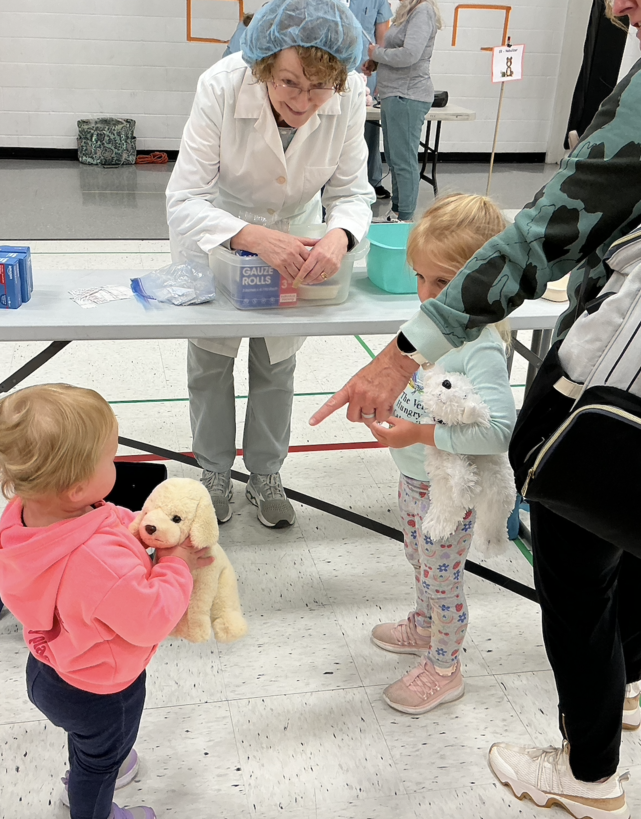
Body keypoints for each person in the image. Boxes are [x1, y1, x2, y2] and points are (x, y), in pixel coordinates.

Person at [311, 0, 641, 815]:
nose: (618, 9)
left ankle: (587, 772)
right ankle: (626, 689)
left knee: (577, 566)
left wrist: (409, 345)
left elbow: (548, 229)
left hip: (631, 384)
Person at [166, 0, 375, 529]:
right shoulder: (220, 85)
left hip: (299, 231)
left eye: (319, 88)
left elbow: (353, 191)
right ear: (263, 67)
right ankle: (213, 471)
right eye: (287, 84)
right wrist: (252, 237)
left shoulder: (349, 96)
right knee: (211, 362)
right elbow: (186, 197)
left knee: (277, 363)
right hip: (221, 231)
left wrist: (340, 235)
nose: (304, 102)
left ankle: (265, 473)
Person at [0, 384, 211, 819]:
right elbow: (151, 618)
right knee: (98, 759)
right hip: (102, 690)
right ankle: (94, 803)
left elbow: (102, 516)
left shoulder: (26, 516)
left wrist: (141, 525)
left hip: (52, 665)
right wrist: (176, 563)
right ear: (75, 487)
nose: (117, 462)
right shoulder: (96, 564)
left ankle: (102, 757)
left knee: (88, 740)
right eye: (110, 457)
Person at [367, 194, 515, 714]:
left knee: (443, 578)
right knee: (418, 559)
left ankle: (445, 666)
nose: (427, 295)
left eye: (442, 283)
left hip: (449, 490)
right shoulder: (435, 324)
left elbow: (498, 432)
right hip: (415, 480)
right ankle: (424, 625)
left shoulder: (481, 346)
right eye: (421, 278)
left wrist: (419, 436)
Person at [368, 0, 441, 223]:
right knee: (394, 158)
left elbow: (410, 54)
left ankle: (406, 218)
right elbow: (395, 50)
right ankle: (398, 210)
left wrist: (377, 54)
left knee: (404, 160)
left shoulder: (423, 10)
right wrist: (375, 62)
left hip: (408, 96)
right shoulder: (406, 12)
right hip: (394, 95)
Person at [348, 0, 393, 198]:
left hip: (366, 67)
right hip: (336, 64)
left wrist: (379, 66)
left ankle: (371, 180)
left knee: (370, 127)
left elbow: (381, 35)